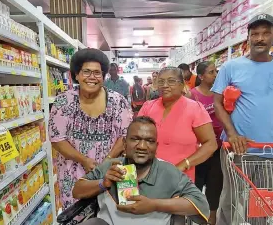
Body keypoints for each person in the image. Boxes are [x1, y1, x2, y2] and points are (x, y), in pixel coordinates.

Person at [211, 14, 273, 225]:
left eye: (265, 33)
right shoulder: (231, 67)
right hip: (238, 149)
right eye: (255, 34)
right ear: (248, 38)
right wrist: (233, 134)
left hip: (271, 149)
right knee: (231, 200)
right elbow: (217, 103)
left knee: (261, 203)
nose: (260, 38)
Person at [73, 116, 210, 225]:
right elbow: (77, 191)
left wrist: (154, 205)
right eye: (135, 139)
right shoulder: (111, 166)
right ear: (125, 143)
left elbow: (200, 204)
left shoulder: (169, 172)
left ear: (156, 147)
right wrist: (103, 183)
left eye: (149, 141)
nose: (142, 146)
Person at [49, 48, 133, 224]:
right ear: (76, 75)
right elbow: (57, 139)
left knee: (112, 215)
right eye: (86, 71)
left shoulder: (118, 101)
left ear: (104, 76)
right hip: (74, 173)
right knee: (76, 216)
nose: (92, 77)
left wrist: (106, 161)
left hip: (112, 170)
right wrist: (84, 160)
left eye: (97, 72)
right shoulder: (64, 101)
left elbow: (126, 136)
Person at [138, 67, 218, 181]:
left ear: (182, 85)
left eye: (171, 81)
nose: (165, 85)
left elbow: (210, 144)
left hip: (180, 179)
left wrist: (184, 164)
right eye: (161, 81)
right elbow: (136, 137)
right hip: (146, 176)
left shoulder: (195, 109)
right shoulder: (148, 107)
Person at [186, 61, 223, 225]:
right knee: (196, 187)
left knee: (215, 188)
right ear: (201, 76)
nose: (215, 75)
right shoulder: (192, 95)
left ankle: (211, 220)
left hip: (219, 148)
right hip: (198, 150)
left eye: (216, 71)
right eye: (211, 72)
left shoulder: (220, 93)